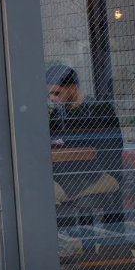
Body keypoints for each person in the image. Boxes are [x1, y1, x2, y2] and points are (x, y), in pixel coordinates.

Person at [46, 65, 124, 222]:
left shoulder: (99, 109)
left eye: (56, 93)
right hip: (70, 174)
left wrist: (65, 145)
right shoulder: (57, 114)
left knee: (46, 194)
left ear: (73, 88)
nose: (52, 98)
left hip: (99, 173)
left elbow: (112, 147)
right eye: (50, 94)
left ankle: (66, 232)